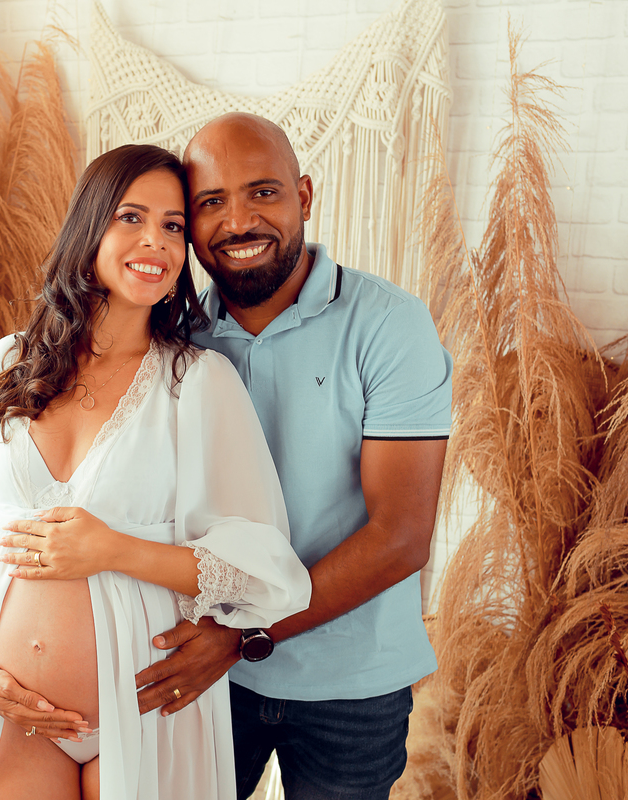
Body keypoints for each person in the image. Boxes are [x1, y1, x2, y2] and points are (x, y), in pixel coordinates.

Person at [0, 143, 311, 800]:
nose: (155, 241)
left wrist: (112, 549)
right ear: (90, 226)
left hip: (149, 711)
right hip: (19, 721)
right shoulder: (4, 367)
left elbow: (265, 572)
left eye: (173, 226)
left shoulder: (198, 382)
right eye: (132, 217)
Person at [133, 113, 453, 799]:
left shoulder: (389, 323)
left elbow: (401, 536)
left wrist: (241, 636)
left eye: (263, 192)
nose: (238, 221)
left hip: (351, 686)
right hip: (206, 674)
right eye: (211, 202)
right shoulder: (170, 335)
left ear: (304, 195)